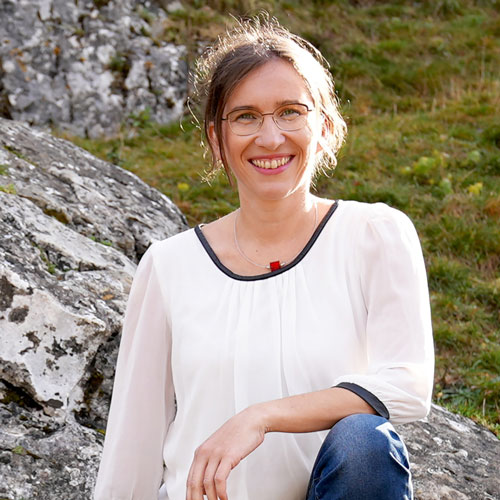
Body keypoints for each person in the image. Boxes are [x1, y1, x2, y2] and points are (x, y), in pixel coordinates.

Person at [93, 16, 434, 500]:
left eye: (291, 111)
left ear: (325, 126)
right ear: (216, 138)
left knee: (364, 443)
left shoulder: (374, 235)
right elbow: (134, 443)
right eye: (246, 116)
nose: (270, 138)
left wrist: (261, 417)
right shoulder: (170, 265)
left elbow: (407, 385)